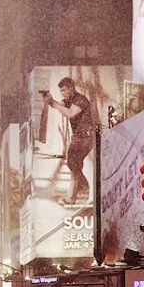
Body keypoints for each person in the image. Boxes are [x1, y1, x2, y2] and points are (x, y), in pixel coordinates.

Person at [43, 77, 93, 206]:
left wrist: (56, 104)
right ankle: (80, 187)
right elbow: (59, 105)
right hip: (77, 137)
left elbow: (70, 113)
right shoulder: (70, 99)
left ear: (71, 88)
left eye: (64, 90)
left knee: (74, 165)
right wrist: (50, 100)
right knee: (72, 164)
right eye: (61, 91)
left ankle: (73, 195)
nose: (63, 93)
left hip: (85, 138)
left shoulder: (81, 100)